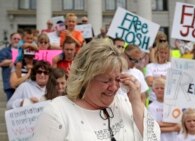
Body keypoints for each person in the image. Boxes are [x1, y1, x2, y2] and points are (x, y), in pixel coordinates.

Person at [32, 39, 160, 141]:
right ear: (84, 79)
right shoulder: (57, 112)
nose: (114, 87)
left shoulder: (126, 103)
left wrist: (136, 102)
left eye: (117, 79)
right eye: (106, 81)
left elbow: (153, 137)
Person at [0, 32, 21, 100]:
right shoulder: (4, 51)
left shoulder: (22, 51)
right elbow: (1, 62)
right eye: (14, 38)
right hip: (9, 84)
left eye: (18, 39)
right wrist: (14, 60)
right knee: (11, 107)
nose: (16, 40)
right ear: (10, 39)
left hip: (21, 83)